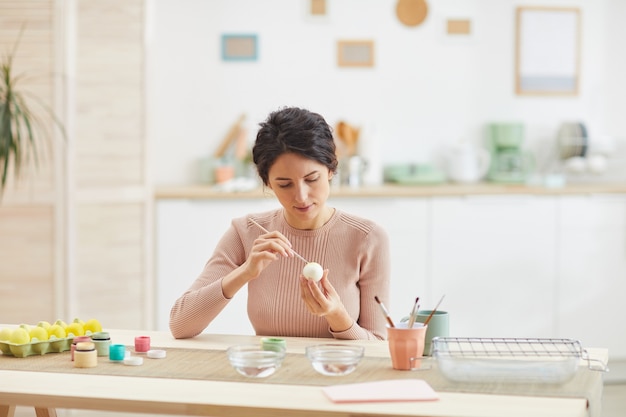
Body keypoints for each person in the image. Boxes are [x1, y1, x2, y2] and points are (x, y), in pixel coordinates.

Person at [169, 107, 391, 340]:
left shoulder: (368, 238)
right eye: (285, 184)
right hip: (267, 372)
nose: (301, 196)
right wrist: (245, 272)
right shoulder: (247, 232)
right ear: (268, 183)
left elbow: (377, 345)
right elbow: (180, 324)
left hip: (336, 373)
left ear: (331, 169)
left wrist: (336, 315)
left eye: (311, 179)